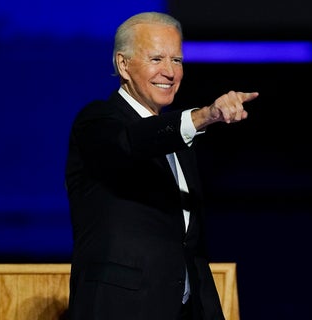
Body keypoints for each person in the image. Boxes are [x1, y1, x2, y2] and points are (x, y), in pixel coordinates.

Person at [64, 11, 259, 320]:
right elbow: (133, 141)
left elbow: (187, 242)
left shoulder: (180, 142)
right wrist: (204, 116)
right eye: (156, 59)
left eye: (177, 60)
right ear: (123, 65)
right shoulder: (98, 122)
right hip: (120, 309)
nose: (170, 72)